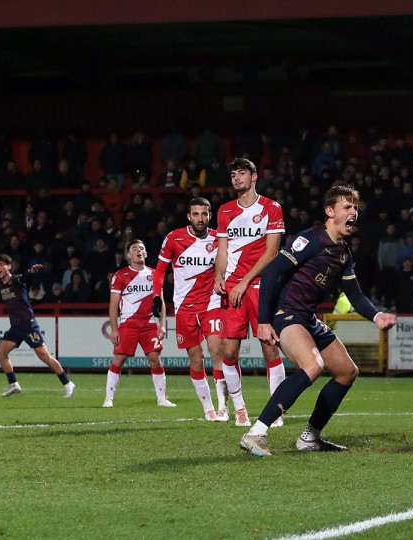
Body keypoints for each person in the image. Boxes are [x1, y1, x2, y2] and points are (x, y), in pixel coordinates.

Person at [239, 186, 397, 456]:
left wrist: (377, 315)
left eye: (355, 208)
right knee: (312, 366)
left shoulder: (343, 252)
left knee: (347, 371)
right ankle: (255, 434)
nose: (353, 212)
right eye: (347, 207)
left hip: (307, 318)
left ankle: (310, 438)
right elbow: (271, 272)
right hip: (287, 314)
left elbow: (355, 294)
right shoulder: (310, 239)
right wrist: (263, 321)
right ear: (330, 211)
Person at [214, 158, 287, 428]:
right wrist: (219, 276)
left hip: (260, 286)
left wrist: (244, 282)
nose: (236, 178)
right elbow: (223, 251)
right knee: (229, 351)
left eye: (242, 173)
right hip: (232, 288)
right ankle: (240, 408)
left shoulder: (271, 208)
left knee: (269, 346)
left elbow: (272, 252)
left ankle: (276, 410)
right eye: (233, 174)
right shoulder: (224, 211)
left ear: (254, 177)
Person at [153, 197, 230, 421]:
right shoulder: (174, 238)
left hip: (211, 302)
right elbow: (159, 271)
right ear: (189, 216)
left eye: (204, 214)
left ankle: (223, 407)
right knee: (196, 359)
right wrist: (157, 295)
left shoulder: (219, 238)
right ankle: (208, 409)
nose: (200, 218)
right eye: (195, 214)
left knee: (217, 350)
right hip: (184, 307)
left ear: (210, 216)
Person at [0, 255, 75, 398]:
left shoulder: (17, 280)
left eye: (1, 264)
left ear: (9, 267)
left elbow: (25, 277)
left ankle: (67, 383)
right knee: (1, 352)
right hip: (16, 328)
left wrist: (31, 271)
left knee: (44, 356)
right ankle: (14, 385)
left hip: (29, 325)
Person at [103, 239, 173, 408]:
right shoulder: (120, 275)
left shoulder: (154, 274)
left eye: (141, 248)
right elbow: (113, 304)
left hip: (149, 324)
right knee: (119, 359)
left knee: (155, 359)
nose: (138, 251)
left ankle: (162, 399)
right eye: (134, 249)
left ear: (146, 253)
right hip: (128, 323)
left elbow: (161, 302)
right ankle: (108, 398)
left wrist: (162, 324)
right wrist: (114, 329)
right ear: (129, 254)